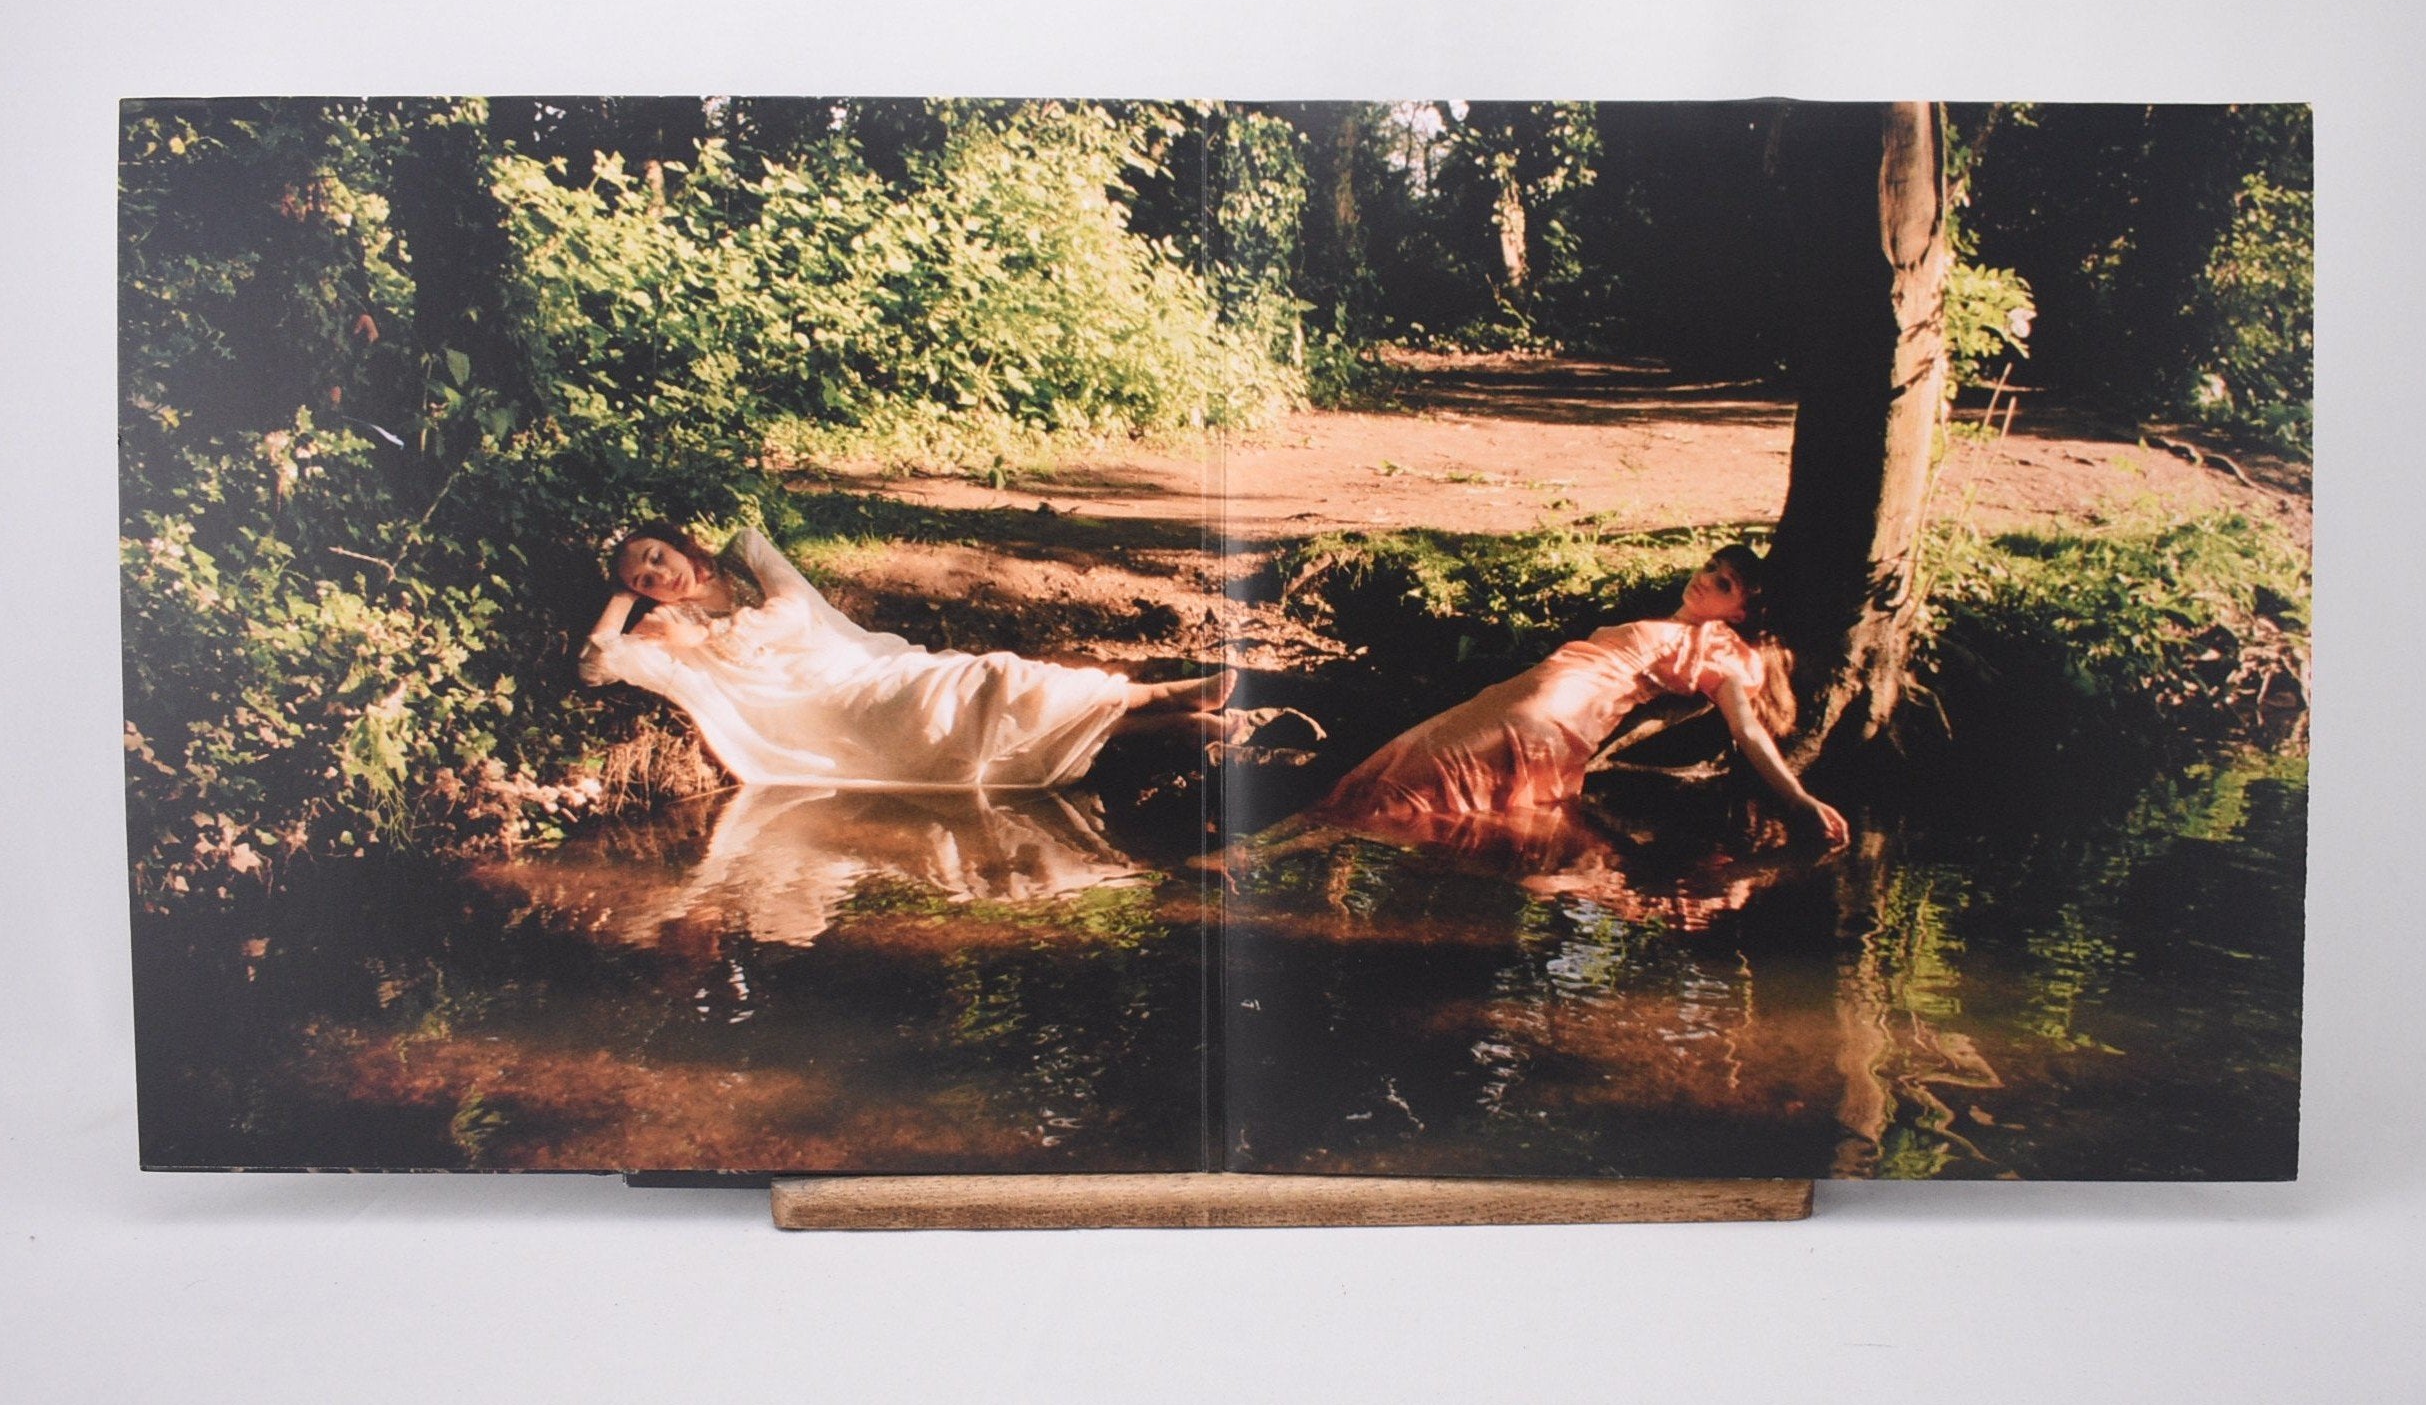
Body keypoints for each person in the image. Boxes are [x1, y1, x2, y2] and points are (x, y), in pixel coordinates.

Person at [579, 522, 1234, 790]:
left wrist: (717, 634)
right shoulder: (669, 624)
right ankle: (1163, 712)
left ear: (679, 544)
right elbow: (594, 666)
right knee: (980, 700)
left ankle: (1159, 705)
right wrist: (621, 601)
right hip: (824, 709)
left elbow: (796, 607)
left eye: (655, 556)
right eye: (642, 578)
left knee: (990, 679)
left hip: (863, 666)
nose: (656, 574)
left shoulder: (746, 559)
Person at [1316, 544, 1849, 846]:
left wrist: (1797, 799)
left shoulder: (1717, 649)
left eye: (1725, 585)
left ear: (1739, 613)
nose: (1706, 579)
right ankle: (1288, 847)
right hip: (1516, 701)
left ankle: (1290, 853)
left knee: (1410, 793)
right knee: (1393, 772)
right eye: (1712, 566)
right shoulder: (1675, 627)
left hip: (1546, 720)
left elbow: (1746, 730)